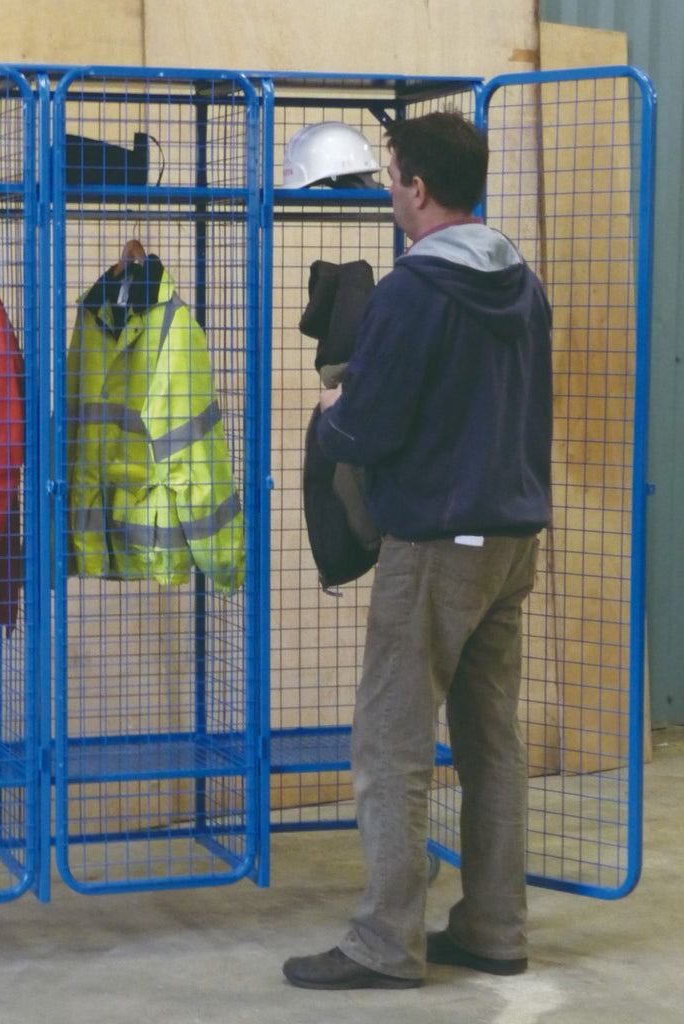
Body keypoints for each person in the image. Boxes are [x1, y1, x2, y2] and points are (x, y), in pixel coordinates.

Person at [282, 110, 553, 990]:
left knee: (390, 744)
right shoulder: (521, 279)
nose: (390, 191)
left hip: (436, 542)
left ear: (417, 188)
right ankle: (494, 928)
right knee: (490, 739)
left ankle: (384, 943)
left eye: (392, 178)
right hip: (510, 536)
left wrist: (334, 415)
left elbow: (372, 428)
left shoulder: (412, 290)